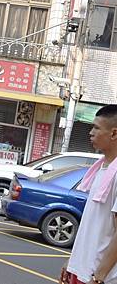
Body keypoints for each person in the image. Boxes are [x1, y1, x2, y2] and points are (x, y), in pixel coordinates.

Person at [60, 104, 117, 284]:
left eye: (96, 128)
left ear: (114, 134)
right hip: (82, 270)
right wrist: (72, 261)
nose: (90, 132)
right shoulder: (100, 168)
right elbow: (90, 225)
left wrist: (99, 276)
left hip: (99, 276)